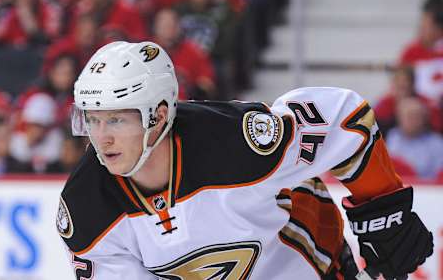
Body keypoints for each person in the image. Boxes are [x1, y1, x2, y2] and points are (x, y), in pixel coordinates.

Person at [57, 41, 433, 279]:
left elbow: (345, 119)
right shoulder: (87, 206)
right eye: (92, 119)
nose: (101, 136)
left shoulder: (238, 143)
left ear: (156, 115)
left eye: (117, 119)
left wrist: (382, 211)